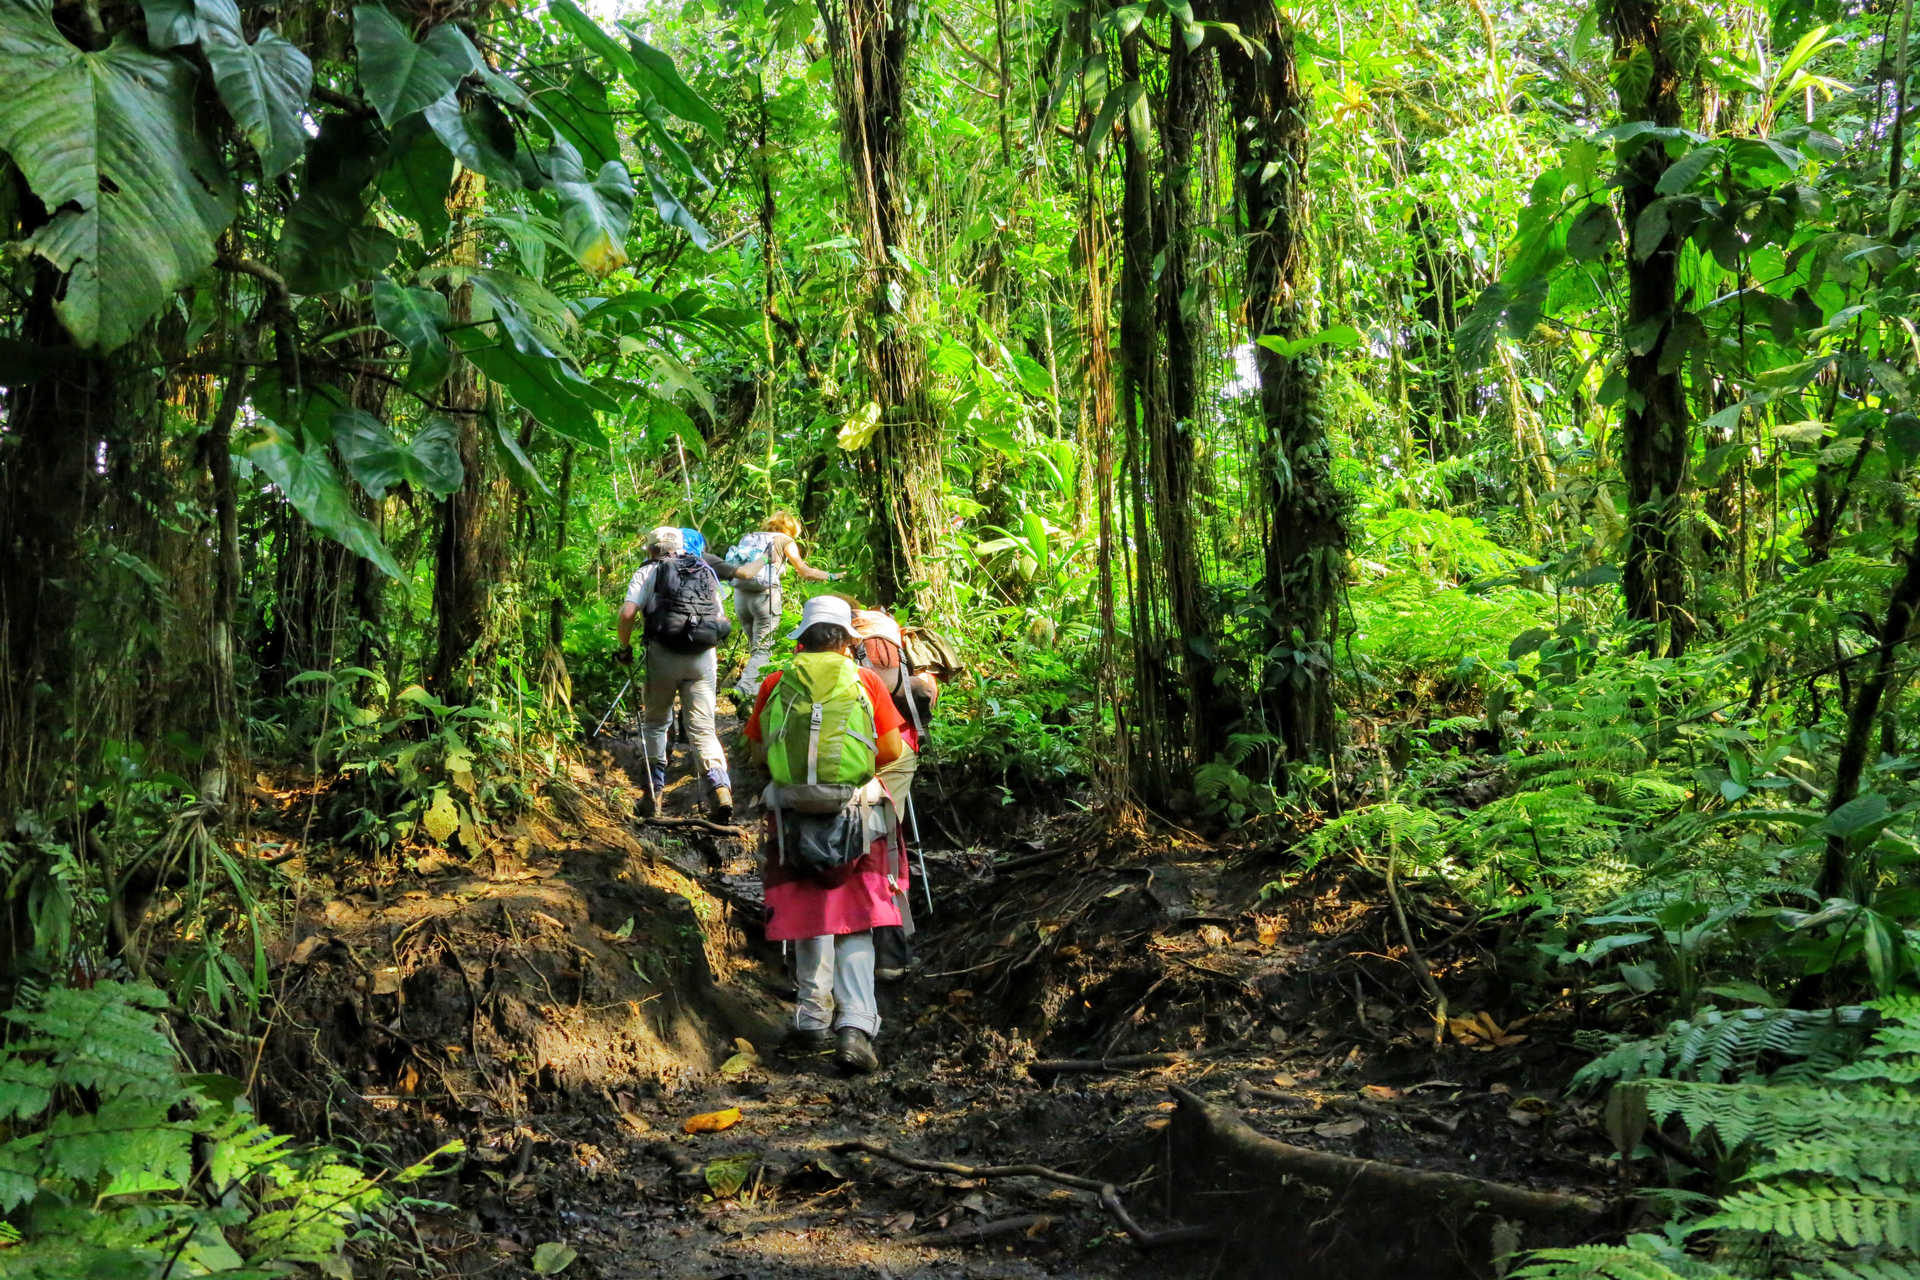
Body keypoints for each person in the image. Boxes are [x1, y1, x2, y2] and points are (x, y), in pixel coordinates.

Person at [744, 595, 913, 1074]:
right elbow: (890, 749)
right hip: (855, 814)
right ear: (845, 641)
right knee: (856, 916)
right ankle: (856, 1028)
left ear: (803, 637)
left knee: (807, 915)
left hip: (792, 815)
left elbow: (757, 753)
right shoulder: (865, 682)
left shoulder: (777, 682)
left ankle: (811, 1020)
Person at [616, 527, 735, 822]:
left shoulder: (649, 571)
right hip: (702, 657)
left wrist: (624, 646)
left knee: (657, 723)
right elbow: (720, 618)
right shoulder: (703, 569)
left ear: (651, 549)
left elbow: (628, 613)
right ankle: (720, 788)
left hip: (663, 654)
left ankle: (655, 793)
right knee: (703, 728)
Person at [848, 606, 940, 981]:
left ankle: (838, 949)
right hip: (898, 747)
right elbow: (928, 696)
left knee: (851, 842)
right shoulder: (899, 640)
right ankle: (890, 954)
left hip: (840, 753)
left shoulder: (827, 647)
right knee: (885, 845)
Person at [726, 513, 839, 702]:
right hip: (765, 597)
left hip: (741, 596)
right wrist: (832, 576)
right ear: (792, 529)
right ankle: (744, 691)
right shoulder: (784, 540)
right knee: (762, 649)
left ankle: (753, 694)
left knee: (755, 647)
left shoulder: (750, 537)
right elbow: (803, 570)